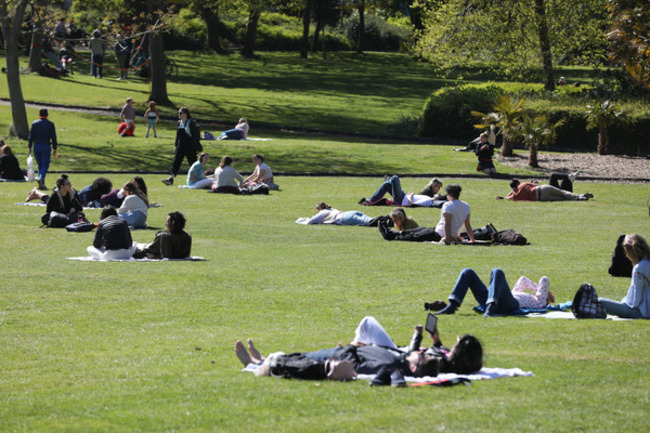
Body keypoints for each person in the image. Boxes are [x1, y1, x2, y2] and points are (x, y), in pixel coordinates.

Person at [234, 316, 483, 382]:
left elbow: (410, 355)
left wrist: (418, 339)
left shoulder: (436, 362)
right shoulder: (445, 357)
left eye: (459, 342)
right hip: (385, 353)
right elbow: (429, 351)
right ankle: (263, 360)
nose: (456, 340)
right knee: (316, 354)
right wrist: (436, 339)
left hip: (386, 354)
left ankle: (257, 364)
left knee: (319, 355)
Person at [432, 268, 555, 316]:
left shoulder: (540, 302)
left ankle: (491, 308)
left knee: (497, 272)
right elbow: (523, 279)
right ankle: (452, 306)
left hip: (510, 304)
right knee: (467, 272)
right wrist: (537, 289)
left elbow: (544, 280)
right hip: (498, 297)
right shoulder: (520, 292)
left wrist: (545, 293)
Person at [378, 184, 475, 244]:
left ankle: (389, 235)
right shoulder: (466, 206)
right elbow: (467, 225)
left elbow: (447, 223)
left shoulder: (448, 205)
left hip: (440, 234)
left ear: (449, 195)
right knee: (418, 229)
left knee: (415, 236)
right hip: (438, 230)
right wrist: (472, 240)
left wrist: (448, 239)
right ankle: (395, 232)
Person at [598, 234, 650, 319]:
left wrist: (623, 304)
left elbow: (634, 302)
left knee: (600, 302)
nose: (626, 255)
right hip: (644, 308)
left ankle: (572, 304)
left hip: (641, 312)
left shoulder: (639, 268)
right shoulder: (647, 262)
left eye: (626, 251)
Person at [162, 107, 200, 186]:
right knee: (176, 162)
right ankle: (171, 178)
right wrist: (176, 145)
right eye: (179, 113)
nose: (179, 115)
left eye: (181, 113)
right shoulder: (179, 123)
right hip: (181, 146)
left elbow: (196, 136)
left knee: (193, 163)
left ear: (186, 114)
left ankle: (198, 178)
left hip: (190, 147)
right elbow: (177, 136)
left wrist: (192, 145)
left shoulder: (191, 123)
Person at [359, 176, 445, 208]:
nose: (438, 191)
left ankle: (390, 180)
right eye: (437, 186)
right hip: (404, 197)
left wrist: (411, 196)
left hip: (402, 199)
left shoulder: (428, 201)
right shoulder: (429, 195)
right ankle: (370, 201)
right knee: (386, 185)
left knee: (395, 178)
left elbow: (413, 204)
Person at [28, 108, 58, 190]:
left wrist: (29, 146)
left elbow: (31, 136)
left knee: (40, 165)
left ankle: (42, 183)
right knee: (45, 165)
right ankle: (41, 178)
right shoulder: (50, 124)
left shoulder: (34, 124)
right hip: (46, 146)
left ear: (39, 114)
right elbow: (53, 137)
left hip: (36, 146)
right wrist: (54, 148)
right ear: (47, 115)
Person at [499, 178, 593, 201]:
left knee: (562, 199)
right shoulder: (524, 184)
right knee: (563, 192)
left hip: (540, 197)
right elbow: (535, 184)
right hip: (543, 188)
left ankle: (579, 199)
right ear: (518, 183)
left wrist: (512, 191)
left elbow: (506, 198)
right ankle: (579, 196)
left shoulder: (515, 195)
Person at [306, 202, 376, 226]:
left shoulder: (323, 212)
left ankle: (384, 221)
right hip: (350, 212)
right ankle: (385, 219)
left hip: (345, 218)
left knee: (369, 223)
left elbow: (310, 221)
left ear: (320, 209)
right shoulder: (331, 209)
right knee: (371, 220)